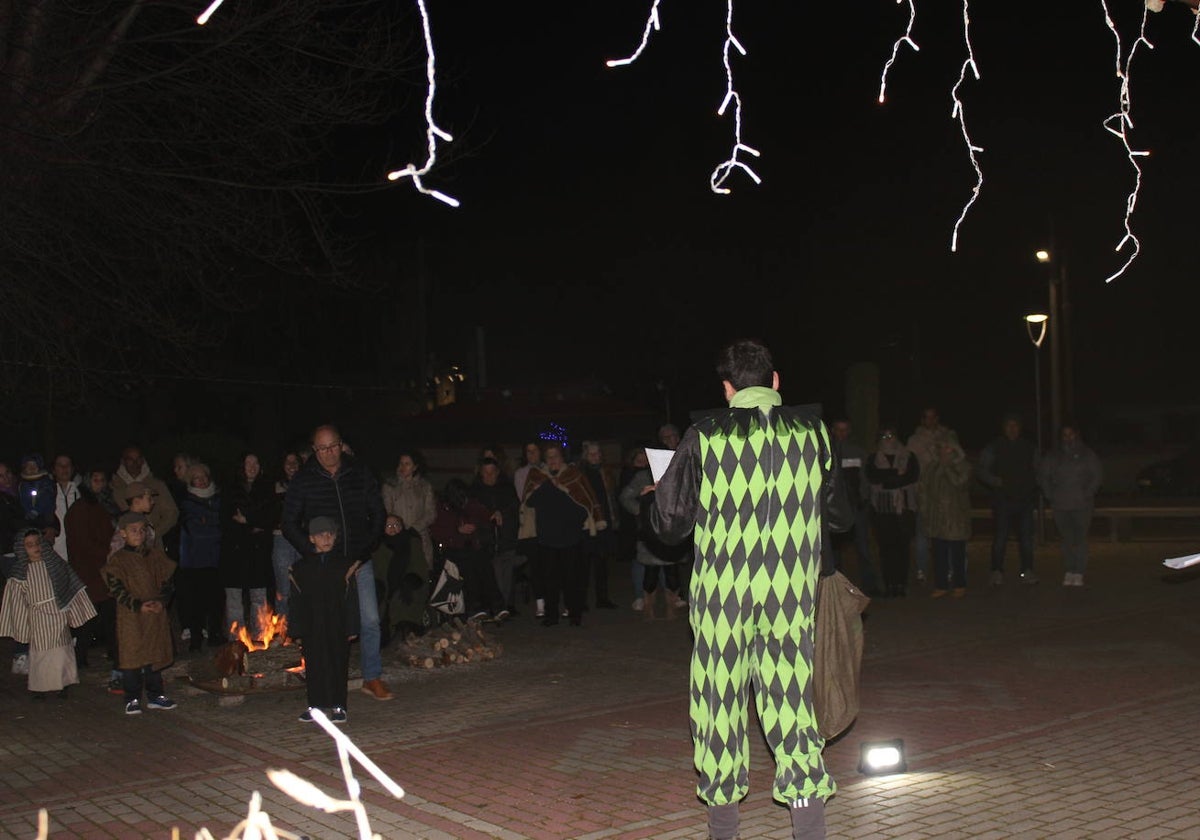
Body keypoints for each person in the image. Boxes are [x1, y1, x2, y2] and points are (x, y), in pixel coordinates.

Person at [648, 338, 849, 840]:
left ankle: (723, 829)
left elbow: (668, 526)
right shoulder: (814, 433)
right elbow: (841, 515)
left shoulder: (704, 436)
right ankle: (809, 827)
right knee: (791, 700)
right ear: (775, 381)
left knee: (717, 701)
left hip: (723, 598)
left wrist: (663, 491)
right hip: (789, 595)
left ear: (727, 387)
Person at [282, 424, 390, 701]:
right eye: (322, 448)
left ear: (341, 444)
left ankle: (372, 676)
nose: (329, 453)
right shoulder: (304, 480)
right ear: (314, 450)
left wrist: (366, 548)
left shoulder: (359, 473)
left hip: (358, 559)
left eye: (333, 446)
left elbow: (377, 512)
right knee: (326, 626)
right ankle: (324, 685)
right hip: (325, 566)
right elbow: (289, 523)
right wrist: (312, 552)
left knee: (369, 620)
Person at [0, 527, 97, 700]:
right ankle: (40, 687)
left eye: (37, 543)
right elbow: (17, 601)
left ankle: (63, 683)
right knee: (41, 654)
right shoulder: (20, 574)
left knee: (61, 651)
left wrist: (71, 611)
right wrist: (22, 625)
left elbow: (69, 586)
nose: (35, 547)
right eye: (29, 545)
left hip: (58, 613)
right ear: (22, 549)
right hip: (38, 616)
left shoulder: (55, 564)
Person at [102, 512, 178, 714]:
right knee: (132, 654)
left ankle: (155, 694)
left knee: (154, 652)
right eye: (133, 531)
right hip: (131, 614)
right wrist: (136, 605)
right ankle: (132, 697)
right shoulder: (118, 560)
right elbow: (116, 588)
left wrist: (161, 601)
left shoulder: (155, 556)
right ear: (123, 533)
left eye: (142, 530)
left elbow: (167, 582)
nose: (139, 534)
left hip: (155, 611)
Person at [289, 516, 359, 724]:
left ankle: (339, 705)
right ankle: (315, 705)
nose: (326, 538)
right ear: (311, 538)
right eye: (321, 535)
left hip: (337, 622)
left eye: (331, 534)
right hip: (312, 624)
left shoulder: (344, 565)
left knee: (337, 662)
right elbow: (296, 601)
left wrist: (352, 626)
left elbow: (351, 599)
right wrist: (297, 630)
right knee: (314, 664)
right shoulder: (301, 568)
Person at [523, 443, 601, 627]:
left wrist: (563, 491)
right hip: (546, 539)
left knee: (572, 580)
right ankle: (552, 616)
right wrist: (549, 486)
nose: (553, 460)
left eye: (555, 456)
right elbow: (529, 501)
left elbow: (584, 504)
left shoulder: (573, 475)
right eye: (549, 457)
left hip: (571, 538)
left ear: (562, 457)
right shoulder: (538, 477)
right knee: (549, 580)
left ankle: (575, 614)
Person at [619, 447, 688, 620]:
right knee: (650, 573)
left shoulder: (679, 477)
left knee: (672, 573)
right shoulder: (642, 477)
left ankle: (671, 608)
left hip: (671, 532)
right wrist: (641, 510)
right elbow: (625, 497)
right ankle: (648, 608)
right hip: (650, 533)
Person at [430, 478, 509, 622]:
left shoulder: (470, 503)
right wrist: (457, 530)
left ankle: (497, 606)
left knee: (485, 566)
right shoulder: (443, 508)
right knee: (469, 568)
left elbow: (483, 513)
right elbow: (437, 531)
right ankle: (475, 607)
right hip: (453, 549)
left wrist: (493, 514)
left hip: (473, 546)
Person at [977, 413, 1040, 586]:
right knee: (1000, 538)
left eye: (1015, 426)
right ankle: (996, 570)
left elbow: (1039, 469)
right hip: (1002, 500)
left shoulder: (1029, 447)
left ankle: (1027, 570)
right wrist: (996, 481)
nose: (1012, 429)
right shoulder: (994, 447)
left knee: (1026, 538)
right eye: (1008, 426)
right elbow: (982, 469)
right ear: (1004, 428)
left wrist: (1032, 484)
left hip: (1025, 500)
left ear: (1020, 428)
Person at [64, 467, 118, 670]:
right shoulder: (80, 509)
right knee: (86, 615)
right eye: (95, 479)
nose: (99, 483)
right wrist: (104, 555)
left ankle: (114, 651)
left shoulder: (106, 505)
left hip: (105, 567)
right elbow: (81, 541)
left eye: (102, 479)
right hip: (88, 569)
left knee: (109, 612)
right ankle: (80, 655)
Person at [1038, 424, 1102, 587]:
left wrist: (1087, 494)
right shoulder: (1053, 456)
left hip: (1082, 505)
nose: (1068, 438)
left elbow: (1097, 476)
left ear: (1077, 435)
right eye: (1065, 435)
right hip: (1060, 504)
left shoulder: (1087, 454)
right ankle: (1069, 570)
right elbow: (1044, 476)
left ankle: (1079, 571)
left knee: (1080, 539)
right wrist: (1050, 495)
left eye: (1071, 434)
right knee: (1066, 539)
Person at [221, 452, 275, 639]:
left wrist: (249, 519)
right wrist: (252, 523)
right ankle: (237, 640)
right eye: (248, 463)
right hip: (234, 550)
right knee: (234, 598)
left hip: (258, 551)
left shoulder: (267, 488)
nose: (252, 466)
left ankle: (261, 638)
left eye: (256, 462)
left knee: (259, 597)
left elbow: (271, 517)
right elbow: (227, 518)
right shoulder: (230, 489)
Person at [828, 418, 882, 596]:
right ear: (833, 430)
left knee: (863, 547)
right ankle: (837, 590)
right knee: (835, 552)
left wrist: (864, 500)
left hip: (857, 506)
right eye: (838, 429)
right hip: (835, 510)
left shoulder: (858, 452)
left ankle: (870, 586)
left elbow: (865, 479)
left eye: (845, 430)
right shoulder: (827, 451)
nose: (841, 434)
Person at [865, 424, 920, 598]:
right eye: (884, 436)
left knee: (903, 548)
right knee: (886, 548)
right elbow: (872, 477)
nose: (888, 440)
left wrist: (888, 479)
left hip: (904, 508)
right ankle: (889, 584)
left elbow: (912, 476)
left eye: (891, 436)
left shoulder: (909, 456)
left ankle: (901, 584)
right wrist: (897, 475)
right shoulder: (873, 458)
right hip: (882, 510)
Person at [177, 465, 226, 650]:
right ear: (191, 481)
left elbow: (222, 526)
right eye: (197, 478)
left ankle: (215, 634)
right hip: (194, 560)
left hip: (216, 559)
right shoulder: (188, 503)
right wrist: (211, 525)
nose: (202, 480)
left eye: (204, 476)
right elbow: (196, 531)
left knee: (216, 601)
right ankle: (196, 638)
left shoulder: (218, 499)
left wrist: (210, 523)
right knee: (195, 602)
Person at [906, 407, 956, 585]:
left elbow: (957, 459)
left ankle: (948, 569)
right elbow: (909, 466)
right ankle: (921, 569)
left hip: (945, 492)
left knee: (946, 531)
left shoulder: (948, 436)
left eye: (933, 417)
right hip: (924, 492)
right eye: (927, 417)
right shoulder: (914, 441)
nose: (930, 420)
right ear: (922, 419)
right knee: (922, 531)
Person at [919, 437, 972, 597]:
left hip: (956, 517)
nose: (944, 451)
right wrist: (925, 512)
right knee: (939, 553)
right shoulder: (931, 467)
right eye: (941, 448)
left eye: (948, 448)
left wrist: (947, 466)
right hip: (937, 517)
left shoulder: (963, 466)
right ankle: (941, 585)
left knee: (957, 553)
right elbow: (924, 490)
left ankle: (959, 584)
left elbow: (959, 483)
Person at [469, 456, 522, 614]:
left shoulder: (507, 489)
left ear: (498, 472)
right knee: (492, 573)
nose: (489, 476)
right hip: (486, 542)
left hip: (507, 539)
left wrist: (502, 514)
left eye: (492, 472)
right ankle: (495, 605)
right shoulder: (475, 491)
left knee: (507, 574)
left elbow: (514, 509)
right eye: (486, 472)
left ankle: (505, 606)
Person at [381, 448, 437, 580]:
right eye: (401, 463)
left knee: (420, 576)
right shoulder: (390, 486)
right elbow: (386, 512)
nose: (403, 467)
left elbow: (431, 513)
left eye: (407, 464)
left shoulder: (425, 487)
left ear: (415, 467)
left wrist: (414, 528)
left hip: (420, 537)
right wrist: (396, 529)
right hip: (397, 538)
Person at [111, 446, 180, 547]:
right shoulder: (114, 487)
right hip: (123, 547)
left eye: (138, 459)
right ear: (123, 461)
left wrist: (153, 533)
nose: (135, 463)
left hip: (153, 547)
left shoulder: (157, 485)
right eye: (130, 459)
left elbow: (172, 513)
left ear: (143, 460)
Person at [578, 440, 617, 609]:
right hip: (587, 523)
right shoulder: (581, 473)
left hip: (604, 522)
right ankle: (582, 601)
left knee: (602, 563)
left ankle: (602, 598)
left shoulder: (605, 472)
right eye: (591, 454)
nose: (595, 457)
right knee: (584, 565)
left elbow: (610, 497)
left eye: (597, 454)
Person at [271, 451, 303, 620]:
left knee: (302, 584)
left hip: (303, 538)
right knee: (284, 586)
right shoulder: (275, 486)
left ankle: (302, 628)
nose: (291, 466)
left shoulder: (306, 484)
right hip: (281, 537)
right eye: (287, 462)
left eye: (295, 462)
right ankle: (283, 627)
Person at [50, 454, 82, 561]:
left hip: (79, 553)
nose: (64, 468)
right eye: (60, 465)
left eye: (68, 465)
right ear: (54, 470)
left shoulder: (82, 493)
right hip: (56, 553)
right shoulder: (47, 494)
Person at [17, 453, 55, 523]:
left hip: (45, 515)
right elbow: (23, 499)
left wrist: (36, 510)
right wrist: (27, 511)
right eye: (29, 465)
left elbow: (47, 497)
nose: (32, 468)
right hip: (30, 517)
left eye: (34, 465)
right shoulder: (22, 484)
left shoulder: (45, 482)